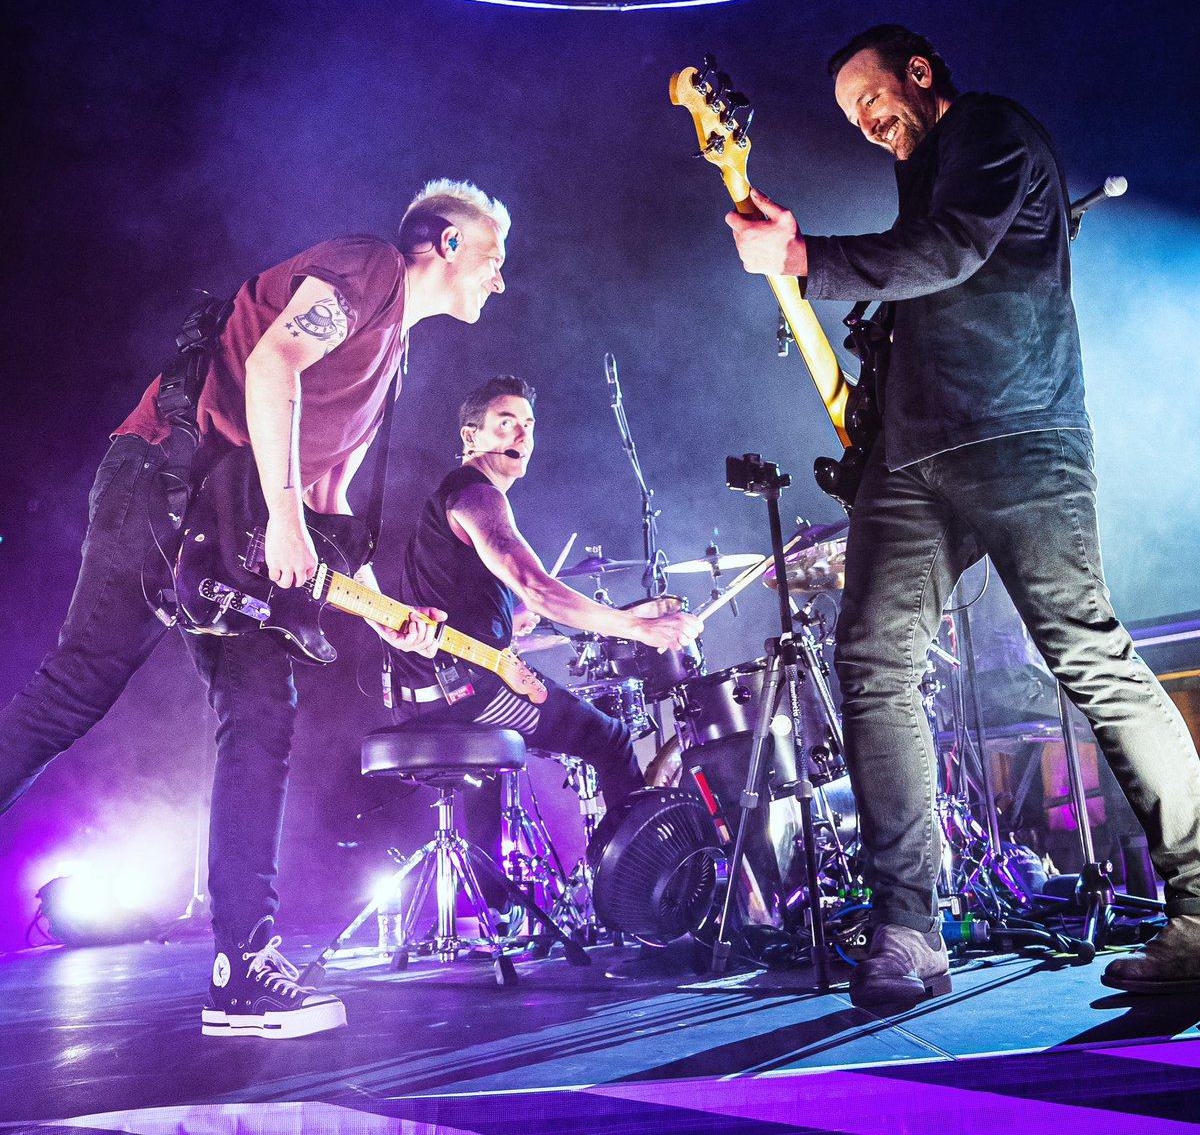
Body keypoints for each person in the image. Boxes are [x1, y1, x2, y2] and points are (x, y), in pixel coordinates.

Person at [726, 24, 1200, 1009]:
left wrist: (805, 254)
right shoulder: (927, 177)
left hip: (1020, 439)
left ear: (922, 73)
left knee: (1085, 653)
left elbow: (948, 251)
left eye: (875, 100)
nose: (867, 124)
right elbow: (922, 282)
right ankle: (908, 927)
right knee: (873, 663)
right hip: (913, 463)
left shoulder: (990, 130)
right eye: (853, 117)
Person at [0, 179, 511, 1037]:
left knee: (263, 711)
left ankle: (242, 969)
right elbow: (275, 362)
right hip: (165, 490)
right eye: (494, 259)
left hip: (234, 523)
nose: (501, 282)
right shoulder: (369, 268)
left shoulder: (393, 353)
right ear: (449, 245)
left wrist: (378, 606)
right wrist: (281, 515)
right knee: (72, 694)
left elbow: (329, 493)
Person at [386, 375, 703, 893]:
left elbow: (469, 610)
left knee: (490, 760)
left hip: (423, 690)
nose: (520, 436)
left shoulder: (452, 498)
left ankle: (496, 906)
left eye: (527, 425)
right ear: (472, 437)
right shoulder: (476, 494)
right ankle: (628, 887)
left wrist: (507, 625)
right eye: (504, 423)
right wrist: (640, 629)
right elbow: (538, 587)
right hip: (463, 692)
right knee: (611, 738)